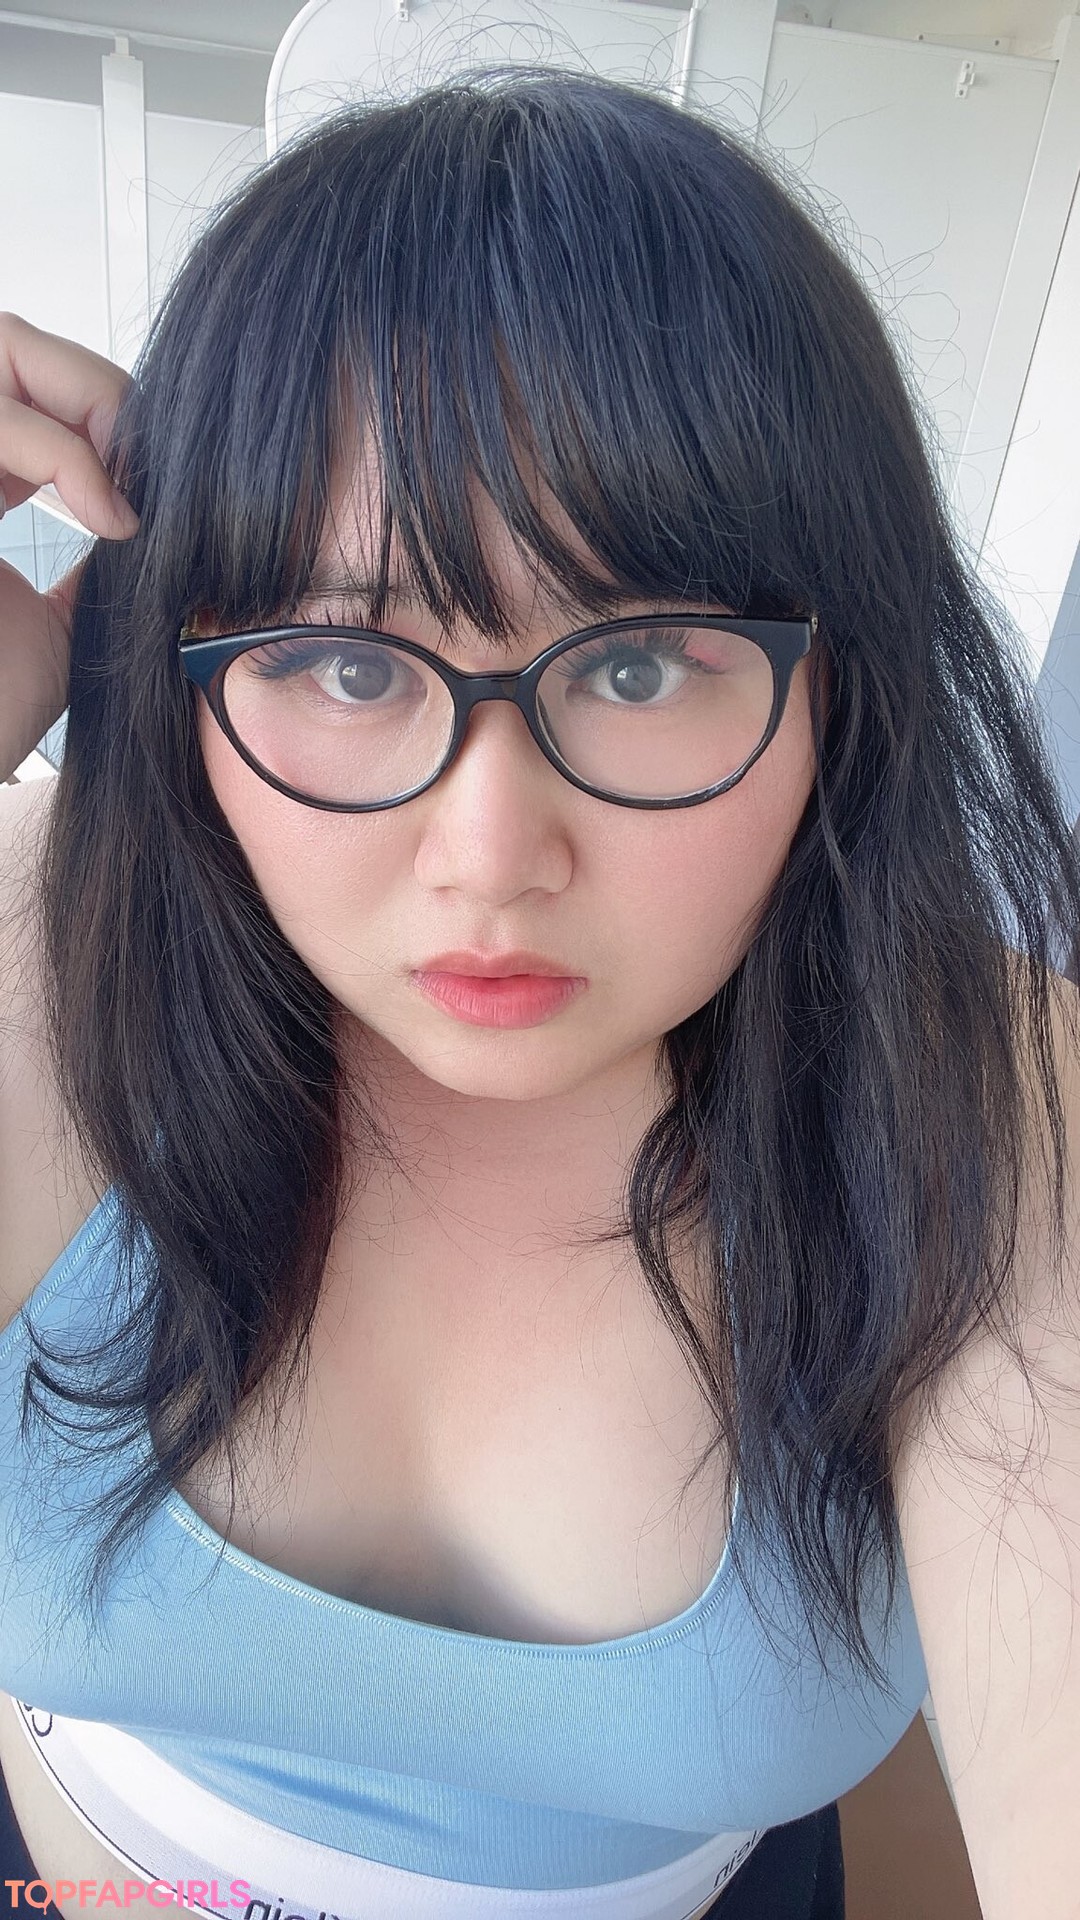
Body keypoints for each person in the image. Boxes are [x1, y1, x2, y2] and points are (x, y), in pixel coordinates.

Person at [0, 63, 1077, 1920]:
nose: (492, 857)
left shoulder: (987, 1102)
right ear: (177, 664)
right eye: (346, 666)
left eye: (641, 667)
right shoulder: (43, 947)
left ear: (842, 690)